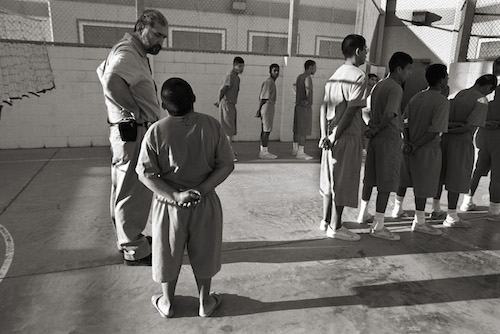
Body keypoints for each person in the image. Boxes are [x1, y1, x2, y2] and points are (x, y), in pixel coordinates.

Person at [136, 78, 235, 318]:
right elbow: (226, 165)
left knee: (167, 252)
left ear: (163, 104)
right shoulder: (212, 125)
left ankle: (167, 303)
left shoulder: (156, 131)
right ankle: (205, 303)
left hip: (169, 205)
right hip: (205, 202)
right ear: (193, 99)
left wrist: (176, 195)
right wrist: (201, 190)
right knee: (205, 251)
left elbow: (145, 174)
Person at [96, 9, 168, 266]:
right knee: (134, 189)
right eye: (157, 35)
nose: (161, 41)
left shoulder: (130, 51)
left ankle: (128, 238)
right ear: (141, 28)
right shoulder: (128, 52)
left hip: (128, 132)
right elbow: (111, 82)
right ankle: (133, 247)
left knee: (123, 186)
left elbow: (106, 74)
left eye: (164, 37)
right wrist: (135, 112)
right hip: (134, 131)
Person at [357, 52, 413, 241]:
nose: (410, 74)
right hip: (388, 137)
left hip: (375, 139)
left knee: (370, 178)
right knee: (386, 181)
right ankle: (379, 225)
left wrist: (371, 128)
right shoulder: (395, 88)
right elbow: (390, 114)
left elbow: (366, 110)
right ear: (399, 69)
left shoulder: (378, 86)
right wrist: (378, 128)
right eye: (408, 69)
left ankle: (362, 213)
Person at [319, 34, 368, 241]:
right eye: (365, 49)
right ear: (357, 51)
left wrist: (325, 135)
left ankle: (325, 220)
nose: (366, 53)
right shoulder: (359, 76)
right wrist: (335, 135)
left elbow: (323, 108)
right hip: (345, 136)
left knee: (329, 180)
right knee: (343, 181)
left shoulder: (335, 76)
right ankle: (336, 227)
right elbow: (350, 112)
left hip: (330, 137)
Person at [434, 74, 497, 228]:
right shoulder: (481, 100)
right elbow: (469, 127)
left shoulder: (458, 94)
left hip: (443, 140)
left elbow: (444, 120)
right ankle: (452, 216)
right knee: (455, 177)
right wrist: (457, 128)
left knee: (440, 175)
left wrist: (447, 128)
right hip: (461, 142)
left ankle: (435, 209)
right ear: (488, 88)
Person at [397, 64, 450, 235]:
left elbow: (404, 122)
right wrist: (417, 145)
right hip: (426, 149)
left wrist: (408, 142)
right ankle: (419, 221)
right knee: (423, 184)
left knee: (404, 179)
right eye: (447, 76)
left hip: (409, 147)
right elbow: (435, 131)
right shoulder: (441, 101)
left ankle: (397, 209)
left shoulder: (416, 97)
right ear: (441, 80)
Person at [460, 57, 500, 214]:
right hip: (497, 135)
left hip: (481, 134)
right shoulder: (494, 87)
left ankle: (466, 202)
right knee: (497, 174)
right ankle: (494, 210)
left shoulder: (483, 87)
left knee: (478, 170)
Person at [216, 56, 245, 162]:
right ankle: (227, 154)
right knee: (228, 130)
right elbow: (222, 89)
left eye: (242, 66)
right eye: (239, 66)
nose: (241, 69)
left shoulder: (237, 77)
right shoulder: (229, 76)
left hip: (231, 105)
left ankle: (228, 151)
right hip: (227, 104)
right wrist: (219, 101)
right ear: (234, 65)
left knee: (231, 129)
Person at [293, 60, 316, 160]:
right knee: (304, 130)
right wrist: (308, 101)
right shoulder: (307, 78)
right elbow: (308, 90)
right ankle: (301, 152)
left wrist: (298, 97)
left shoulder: (299, 77)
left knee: (297, 128)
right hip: (304, 107)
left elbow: (294, 87)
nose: (315, 69)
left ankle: (295, 149)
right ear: (310, 67)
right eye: (314, 67)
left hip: (298, 105)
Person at [256, 63, 280, 159]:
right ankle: (264, 151)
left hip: (269, 106)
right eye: (274, 71)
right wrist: (259, 109)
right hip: (267, 106)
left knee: (265, 129)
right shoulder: (269, 82)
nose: (277, 73)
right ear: (270, 72)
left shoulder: (272, 82)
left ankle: (263, 150)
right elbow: (263, 98)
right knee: (266, 130)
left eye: (278, 71)